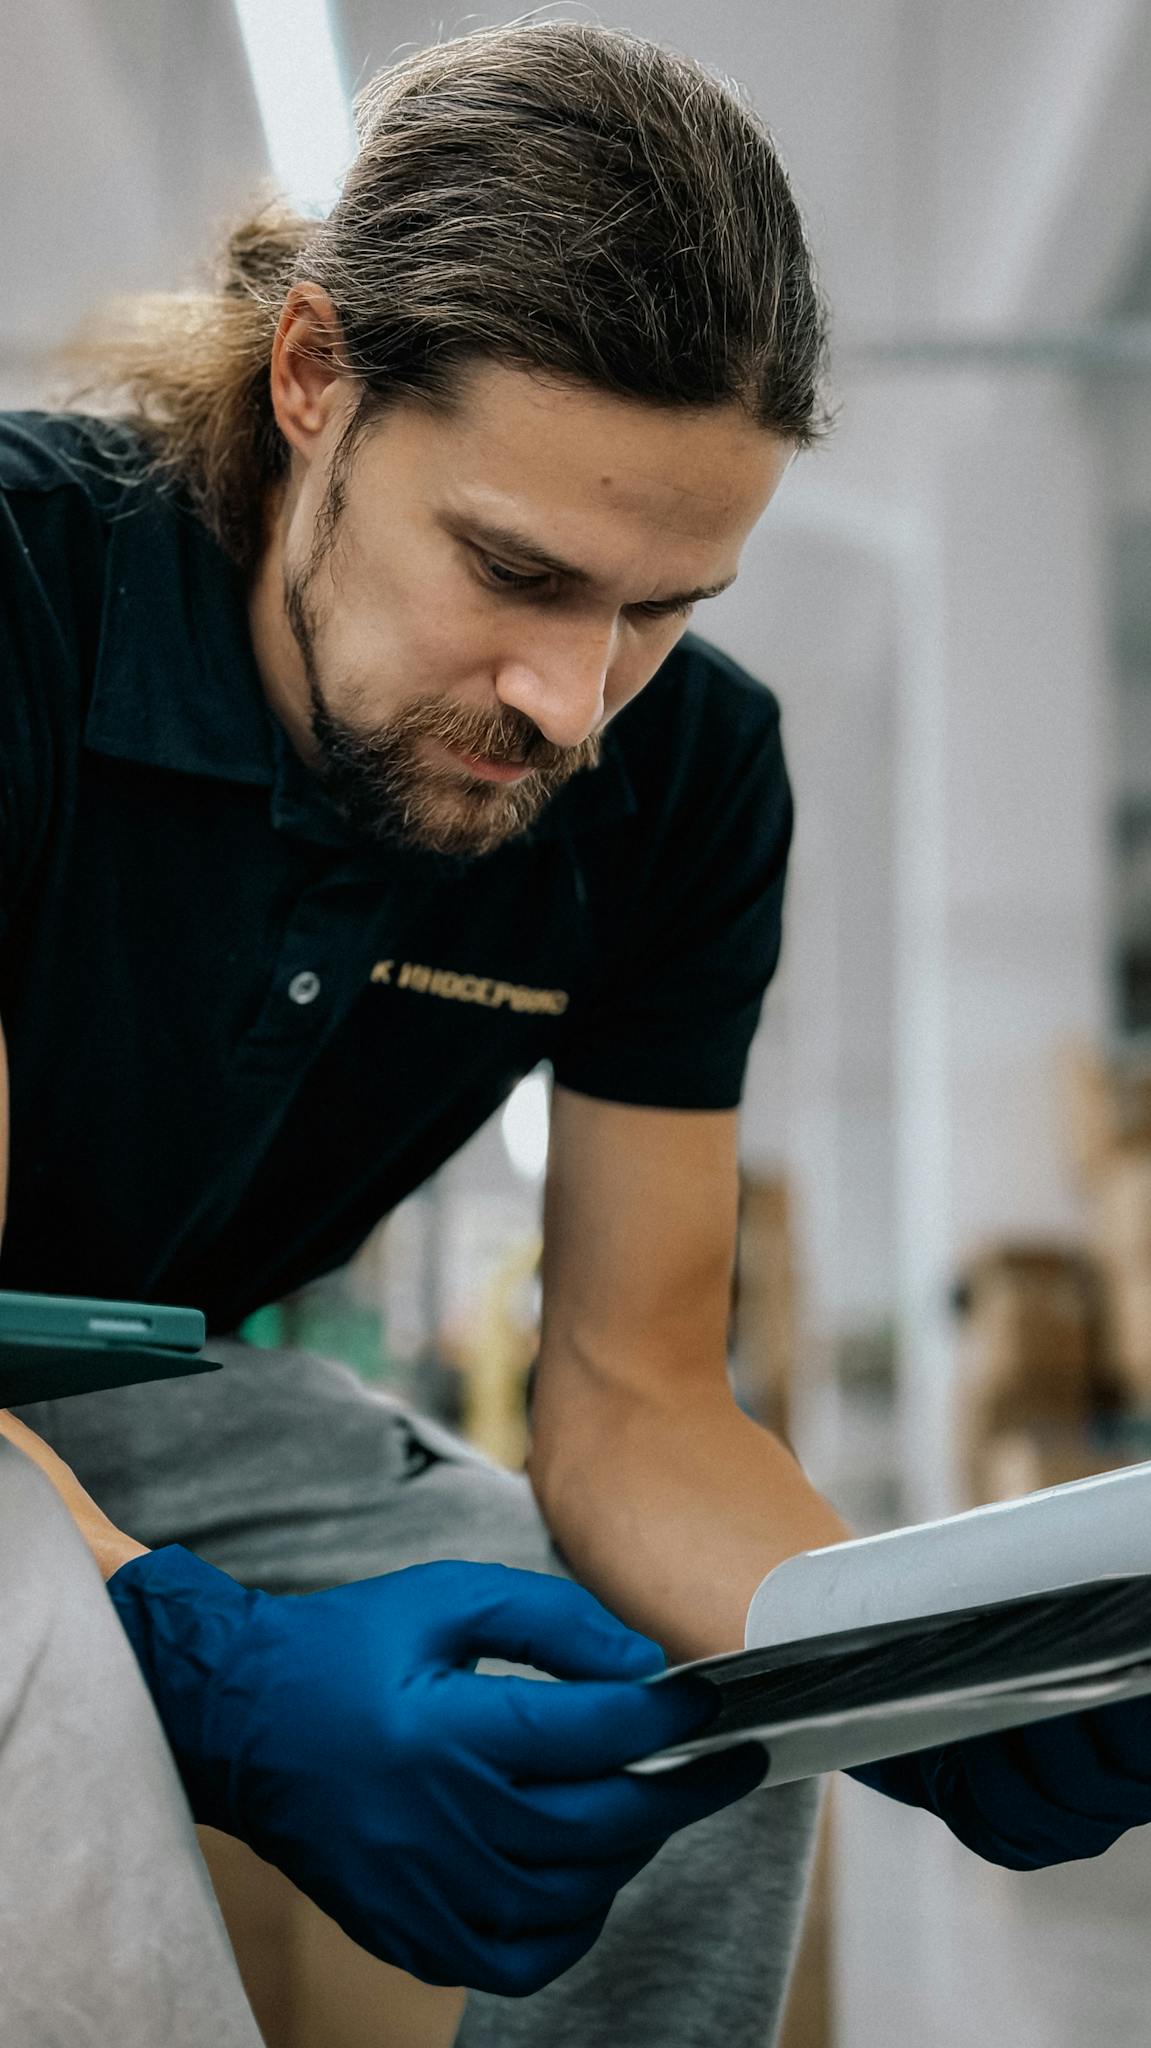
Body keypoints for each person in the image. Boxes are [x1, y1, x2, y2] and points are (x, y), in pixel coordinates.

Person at [6, 19, 1148, 2048]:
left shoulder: (689, 783)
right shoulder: (19, 596)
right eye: (515, 571)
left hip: (162, 1407)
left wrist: (903, 1659)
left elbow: (635, 1401)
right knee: (53, 1681)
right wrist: (193, 1664)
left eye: (663, 604)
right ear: (312, 378)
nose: (572, 698)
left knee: (677, 1719)